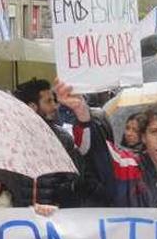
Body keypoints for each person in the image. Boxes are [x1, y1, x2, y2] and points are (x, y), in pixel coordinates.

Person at [55, 80, 157, 208]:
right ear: (143, 137)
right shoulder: (126, 165)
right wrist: (82, 113)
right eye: (154, 132)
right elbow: (97, 151)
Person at [14, 79, 104, 207]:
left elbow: (75, 179)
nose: (55, 106)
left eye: (54, 100)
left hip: (56, 217)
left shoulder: (63, 139)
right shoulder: (14, 138)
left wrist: (62, 192)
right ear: (32, 107)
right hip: (18, 217)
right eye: (48, 101)